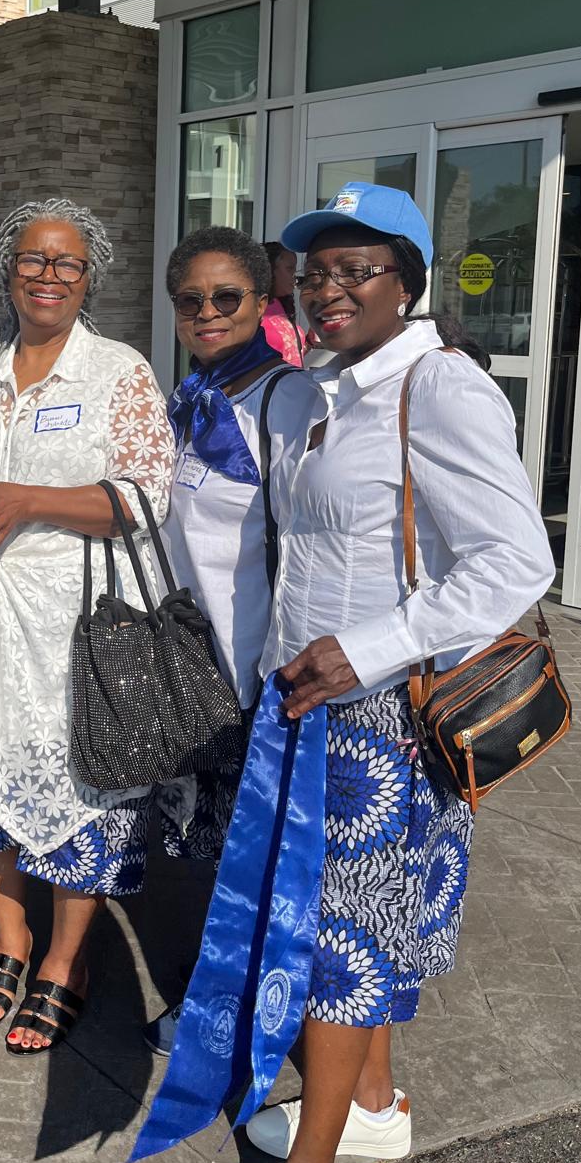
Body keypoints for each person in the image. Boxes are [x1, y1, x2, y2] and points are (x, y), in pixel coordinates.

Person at [172, 183, 555, 1163]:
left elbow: (516, 562)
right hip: (304, 705)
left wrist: (372, 646)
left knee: (334, 937)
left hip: (380, 716)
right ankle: (372, 1106)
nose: (329, 289)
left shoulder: (439, 388)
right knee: (349, 922)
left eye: (357, 270)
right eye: (314, 273)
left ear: (408, 281)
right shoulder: (318, 389)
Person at [0, 198, 175, 1053]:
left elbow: (145, 497)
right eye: (33, 259)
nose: (48, 275)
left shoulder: (117, 372)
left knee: (78, 779)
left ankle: (66, 960)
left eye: (67, 263)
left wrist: (26, 501)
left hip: (74, 624)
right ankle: (9, 936)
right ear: (7, 270)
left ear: (89, 277)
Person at [143, 227, 327, 1056]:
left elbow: (310, 545)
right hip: (197, 670)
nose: (208, 313)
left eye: (227, 297)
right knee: (218, 861)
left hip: (259, 678)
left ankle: (237, 1018)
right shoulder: (192, 396)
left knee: (250, 865)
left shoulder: (285, 401)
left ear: (263, 301)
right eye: (191, 300)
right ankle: (233, 1005)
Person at [259, 242, 305, 365]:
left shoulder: (282, 305)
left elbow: (289, 354)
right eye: (290, 268)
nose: (294, 276)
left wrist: (309, 343)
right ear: (270, 270)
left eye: (295, 269)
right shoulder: (252, 307)